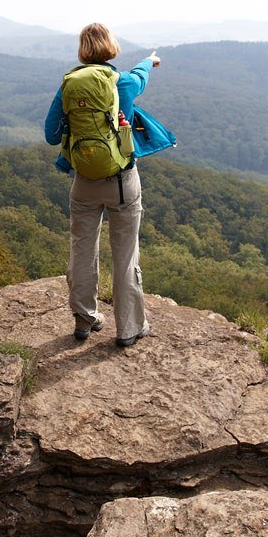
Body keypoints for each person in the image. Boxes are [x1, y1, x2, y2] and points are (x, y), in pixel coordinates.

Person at [43, 23, 175, 348]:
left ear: (83, 50)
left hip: (83, 182)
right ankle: (129, 329)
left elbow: (50, 135)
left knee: (82, 250)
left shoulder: (69, 86)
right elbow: (141, 75)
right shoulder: (124, 82)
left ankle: (85, 320)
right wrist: (150, 60)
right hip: (122, 182)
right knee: (125, 254)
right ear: (111, 48)